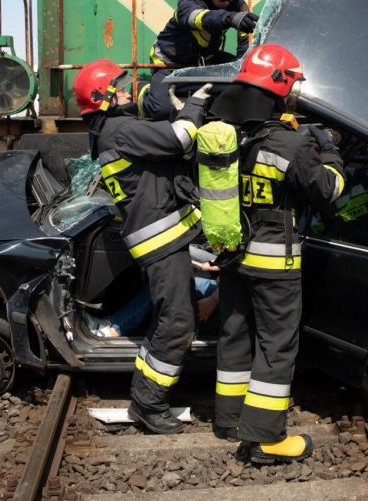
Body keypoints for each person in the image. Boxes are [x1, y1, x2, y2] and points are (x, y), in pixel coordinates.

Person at [205, 43, 345, 464]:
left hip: (233, 256)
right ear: (280, 86)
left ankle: (229, 420)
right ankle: (265, 439)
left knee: (234, 336)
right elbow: (328, 193)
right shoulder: (289, 144)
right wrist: (330, 150)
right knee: (276, 345)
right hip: (274, 264)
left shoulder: (227, 133)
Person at [72, 59, 210, 434]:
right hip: (160, 241)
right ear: (102, 98)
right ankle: (149, 403)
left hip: (163, 238)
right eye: (117, 86)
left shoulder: (112, 131)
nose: (126, 89)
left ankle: (147, 398)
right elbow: (179, 139)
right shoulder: (120, 130)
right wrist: (196, 102)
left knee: (174, 317)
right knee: (177, 321)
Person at [140, 0, 259, 121]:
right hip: (169, 62)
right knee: (161, 110)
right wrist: (229, 17)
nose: (226, 2)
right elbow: (196, 18)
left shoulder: (235, 4)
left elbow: (243, 42)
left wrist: (241, 71)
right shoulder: (189, 1)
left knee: (245, 77)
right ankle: (144, 90)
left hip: (204, 60)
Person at [86, 248, 221, 337]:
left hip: (226, 288)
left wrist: (213, 300)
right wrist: (212, 264)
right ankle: (111, 321)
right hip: (225, 275)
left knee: (165, 283)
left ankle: (115, 329)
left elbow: (241, 279)